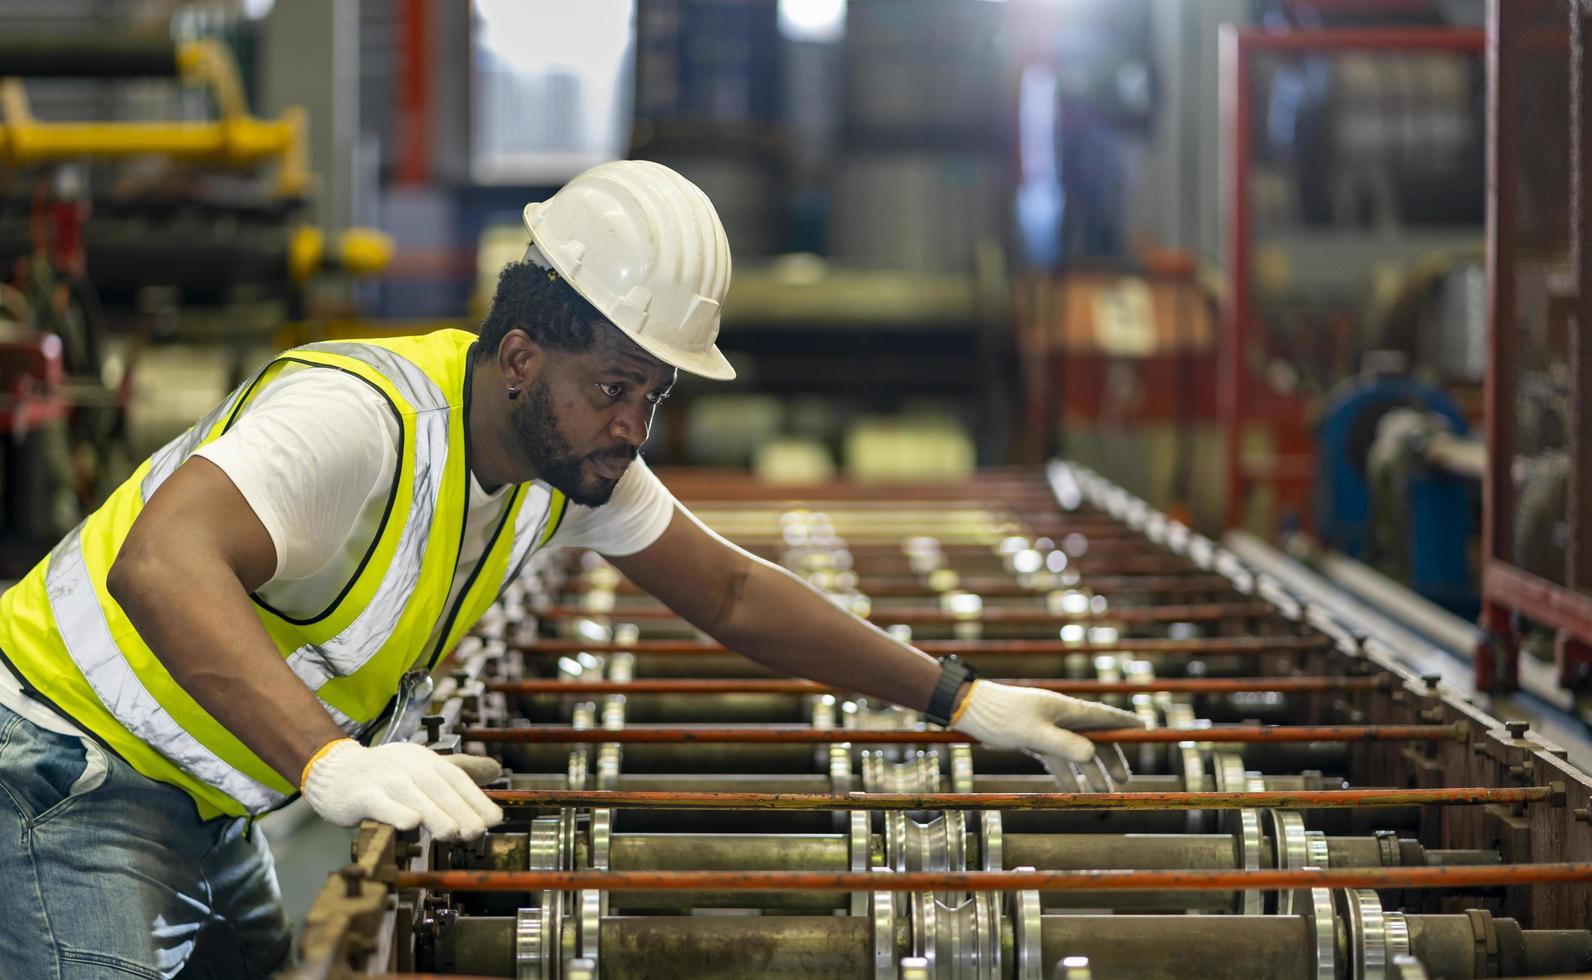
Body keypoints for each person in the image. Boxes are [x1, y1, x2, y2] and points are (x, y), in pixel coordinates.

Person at [0, 160, 1141, 978]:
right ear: (519, 356)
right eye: (614, 386)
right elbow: (160, 561)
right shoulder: (359, 416)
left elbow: (731, 590)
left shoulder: (560, 463)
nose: (634, 423)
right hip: (65, 772)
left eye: (654, 393)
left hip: (206, 797)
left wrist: (963, 696)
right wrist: (332, 758)